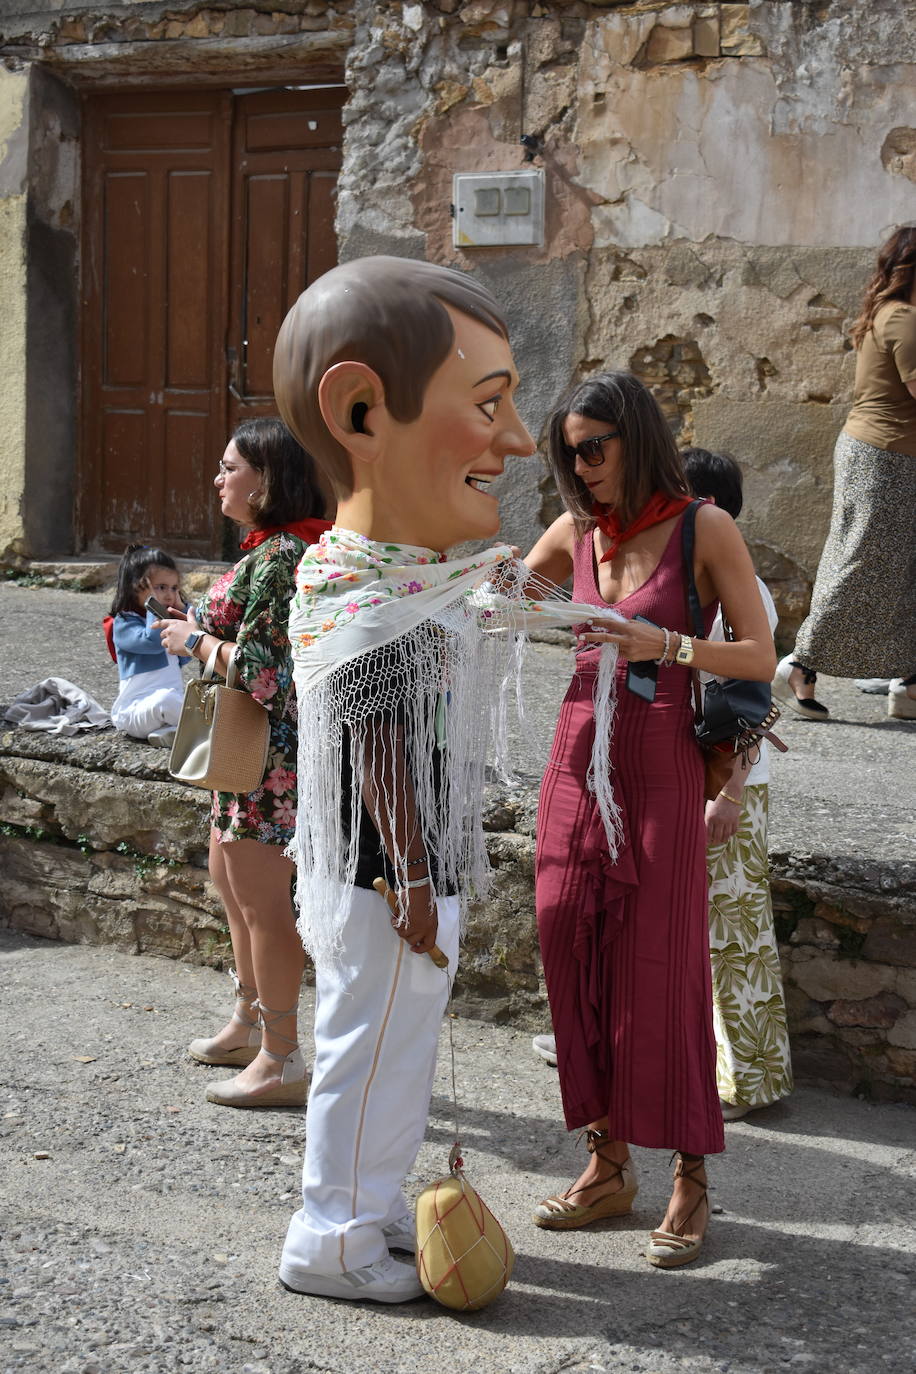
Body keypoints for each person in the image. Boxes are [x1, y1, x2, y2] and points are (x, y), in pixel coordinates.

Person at [271, 255, 538, 1303]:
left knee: (389, 1054)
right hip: (383, 870)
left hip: (385, 866)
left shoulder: (393, 578)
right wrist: (419, 876)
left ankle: (368, 1214)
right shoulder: (365, 591)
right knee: (368, 1055)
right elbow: (378, 738)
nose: (515, 442)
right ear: (360, 409)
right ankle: (330, 1239)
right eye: (487, 405)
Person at [524, 371, 776, 1269]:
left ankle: (690, 1176)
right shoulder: (576, 532)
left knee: (659, 968)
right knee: (566, 941)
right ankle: (606, 1161)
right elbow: (513, 596)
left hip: (662, 756)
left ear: (636, 436)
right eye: (569, 453)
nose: (582, 467)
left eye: (596, 447)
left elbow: (760, 654)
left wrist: (666, 643)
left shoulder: (703, 525)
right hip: (575, 749)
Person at [157, 417, 330, 1108]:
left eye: (232, 467)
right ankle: (248, 1021)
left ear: (268, 481)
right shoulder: (270, 549)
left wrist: (194, 640)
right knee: (232, 887)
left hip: (270, 757)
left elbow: (269, 672)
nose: (219, 479)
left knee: (264, 907)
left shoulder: (287, 554)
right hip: (248, 753)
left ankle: (281, 1059)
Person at [681, 446, 794, 1121]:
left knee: (735, 931)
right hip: (696, 774)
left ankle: (748, 1080)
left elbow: (750, 699)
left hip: (729, 781)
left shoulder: (742, 587)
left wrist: (730, 793)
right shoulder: (699, 578)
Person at [773, 225, 916, 722]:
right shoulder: (903, 319)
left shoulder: (890, 314)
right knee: (862, 562)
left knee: (904, 570)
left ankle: (909, 684)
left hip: (890, 456)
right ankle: (799, 662)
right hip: (885, 457)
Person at [106, 545, 189, 747]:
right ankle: (199, 730)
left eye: (174, 588)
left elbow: (186, 652)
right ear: (136, 587)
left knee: (195, 700)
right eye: (161, 587)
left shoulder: (167, 623)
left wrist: (183, 611)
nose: (169, 594)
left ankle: (168, 733)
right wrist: (153, 604)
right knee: (169, 700)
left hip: (162, 709)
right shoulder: (124, 623)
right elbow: (153, 642)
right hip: (133, 712)